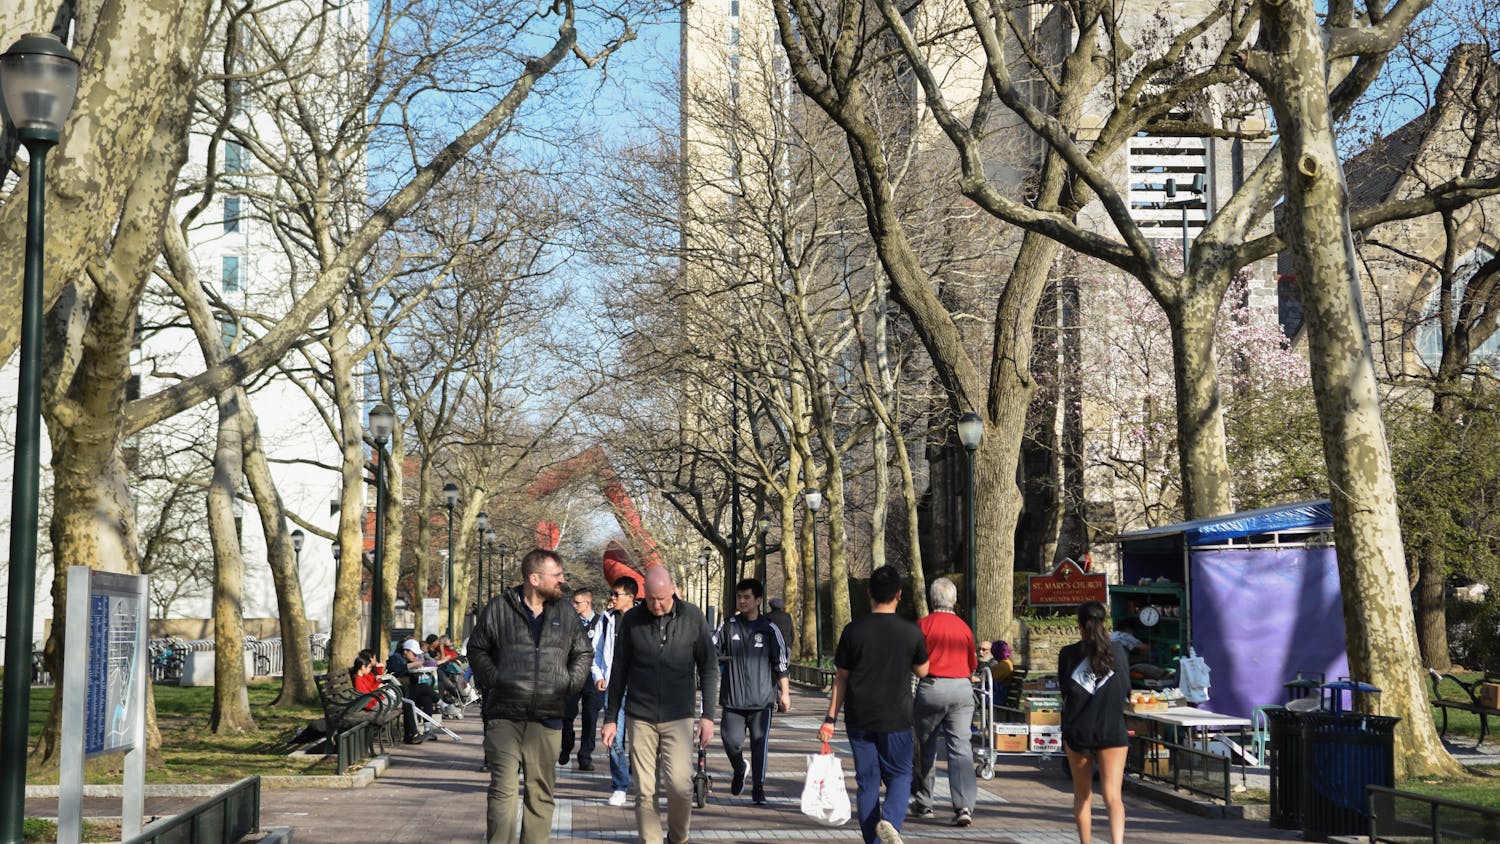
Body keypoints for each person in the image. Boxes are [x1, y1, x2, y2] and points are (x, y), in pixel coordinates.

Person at [468, 548, 594, 844]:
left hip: (548, 717)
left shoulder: (565, 612)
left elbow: (583, 652)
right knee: (503, 791)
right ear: (535, 579)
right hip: (504, 715)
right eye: (557, 575)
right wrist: (496, 679)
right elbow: (477, 648)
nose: (562, 580)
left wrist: (567, 684)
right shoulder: (499, 608)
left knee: (540, 793)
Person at [602, 566, 718, 844]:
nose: (657, 605)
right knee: (644, 790)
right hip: (640, 715)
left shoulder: (693, 617)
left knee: (680, 785)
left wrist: (708, 716)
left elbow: (709, 667)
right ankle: (651, 840)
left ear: (673, 590)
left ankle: (678, 838)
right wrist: (610, 717)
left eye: (662, 599)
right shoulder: (632, 620)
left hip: (679, 715)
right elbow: (619, 670)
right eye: (652, 598)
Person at [818, 565, 930, 844]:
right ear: (899, 594)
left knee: (867, 782)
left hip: (859, 717)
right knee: (900, 775)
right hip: (897, 717)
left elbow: (840, 678)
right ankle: (890, 821)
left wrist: (830, 719)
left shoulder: (853, 631)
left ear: (869, 593)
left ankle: (873, 841)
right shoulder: (911, 632)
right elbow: (923, 670)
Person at [1058, 601, 1131, 844]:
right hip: (1112, 729)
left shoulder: (1068, 654)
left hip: (1078, 730)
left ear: (1079, 625)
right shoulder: (1118, 651)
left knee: (1082, 796)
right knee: (1113, 797)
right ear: (1104, 622)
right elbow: (1126, 689)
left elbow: (1065, 690)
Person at [713, 577, 791, 805]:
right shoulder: (728, 625)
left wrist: (785, 694)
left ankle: (758, 788)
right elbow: (710, 649)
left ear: (758, 600)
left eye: (747, 597)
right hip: (733, 698)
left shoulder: (769, 629)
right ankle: (740, 768)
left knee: (759, 743)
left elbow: (781, 663)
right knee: (731, 741)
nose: (742, 601)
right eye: (739, 597)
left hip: (761, 699)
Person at [909, 577, 976, 827]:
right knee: (960, 748)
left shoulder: (923, 625)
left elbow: (914, 663)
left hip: (932, 687)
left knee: (926, 746)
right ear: (954, 600)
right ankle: (964, 806)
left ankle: (925, 801)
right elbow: (972, 664)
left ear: (931, 599)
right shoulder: (964, 628)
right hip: (961, 688)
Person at [595, 575, 639, 806]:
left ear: (630, 597)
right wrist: (599, 675)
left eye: (616, 594)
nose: (612, 598)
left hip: (640, 688)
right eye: (611, 593)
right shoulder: (606, 619)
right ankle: (620, 786)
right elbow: (596, 650)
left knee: (641, 741)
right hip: (614, 687)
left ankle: (640, 780)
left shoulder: (643, 619)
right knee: (614, 737)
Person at [560, 587, 607, 771]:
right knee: (567, 714)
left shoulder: (601, 622)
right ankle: (566, 744)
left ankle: (585, 756)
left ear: (588, 603)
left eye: (577, 602)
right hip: (573, 674)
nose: (574, 605)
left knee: (590, 717)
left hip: (593, 677)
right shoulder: (570, 622)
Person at [388, 638, 441, 744]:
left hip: (406, 690)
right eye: (413, 653)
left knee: (426, 699)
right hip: (398, 692)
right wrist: (413, 665)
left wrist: (416, 674)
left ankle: (427, 729)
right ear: (405, 651)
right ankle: (442, 703)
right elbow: (397, 670)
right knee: (424, 687)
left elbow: (412, 680)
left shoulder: (408, 659)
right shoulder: (395, 658)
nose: (415, 656)